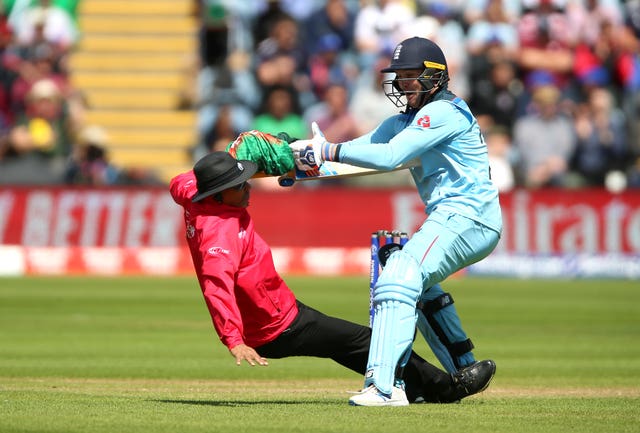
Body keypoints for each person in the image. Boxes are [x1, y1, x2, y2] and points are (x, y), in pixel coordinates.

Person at [169, 150, 497, 406]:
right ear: (218, 194)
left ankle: (418, 387)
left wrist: (244, 155)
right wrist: (233, 339)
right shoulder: (219, 233)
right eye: (239, 184)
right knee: (368, 341)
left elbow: (181, 180)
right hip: (275, 326)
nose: (248, 186)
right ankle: (447, 388)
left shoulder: (192, 193)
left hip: (279, 308)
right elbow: (216, 287)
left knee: (348, 346)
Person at [290, 36, 503, 406]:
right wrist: (302, 164)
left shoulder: (444, 113)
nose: (403, 85)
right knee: (408, 277)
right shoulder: (408, 118)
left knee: (400, 273)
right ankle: (464, 368)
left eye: (410, 76)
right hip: (455, 217)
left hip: (468, 215)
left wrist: (325, 150)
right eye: (399, 77)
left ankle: (384, 389)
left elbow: (389, 157)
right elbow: (360, 152)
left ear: (435, 77)